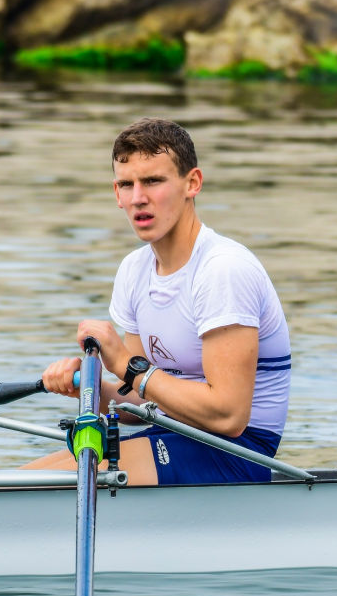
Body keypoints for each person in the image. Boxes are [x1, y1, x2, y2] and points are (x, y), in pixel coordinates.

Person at [23, 118, 290, 485]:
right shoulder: (134, 270)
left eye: (153, 181)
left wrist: (127, 367)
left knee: (20, 487)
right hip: (176, 435)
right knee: (2, 480)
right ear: (116, 194)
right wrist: (89, 387)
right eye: (126, 184)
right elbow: (140, 404)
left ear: (192, 183)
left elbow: (229, 416)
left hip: (237, 452)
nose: (138, 198)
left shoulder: (223, 270)